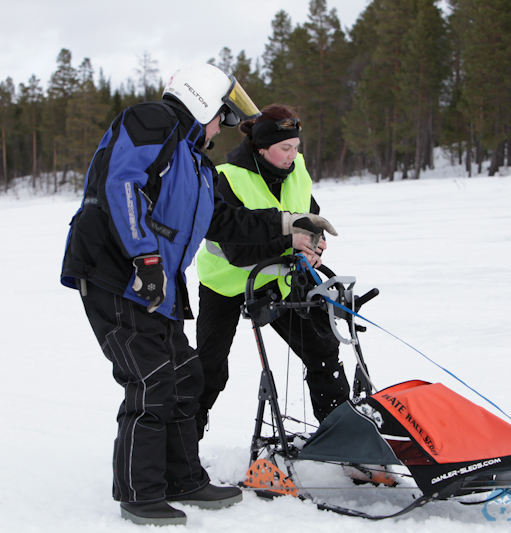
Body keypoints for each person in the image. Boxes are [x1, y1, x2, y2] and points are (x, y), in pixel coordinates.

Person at [60, 64, 337, 527]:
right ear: (201, 103)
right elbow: (121, 185)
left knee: (187, 375)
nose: (220, 129)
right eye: (220, 118)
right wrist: (145, 259)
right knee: (150, 381)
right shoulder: (150, 121)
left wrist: (290, 227)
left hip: (156, 285)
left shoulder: (193, 163)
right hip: (115, 275)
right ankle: (140, 494)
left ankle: (184, 479)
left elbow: (227, 222)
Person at [195, 104, 351, 440]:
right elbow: (236, 251)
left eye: (296, 147)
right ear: (262, 148)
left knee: (323, 349)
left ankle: (341, 440)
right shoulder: (226, 178)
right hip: (223, 284)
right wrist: (290, 242)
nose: (292, 155)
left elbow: (311, 214)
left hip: (278, 278)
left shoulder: (297, 168)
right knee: (209, 371)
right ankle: (180, 454)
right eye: (284, 148)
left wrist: (314, 244)